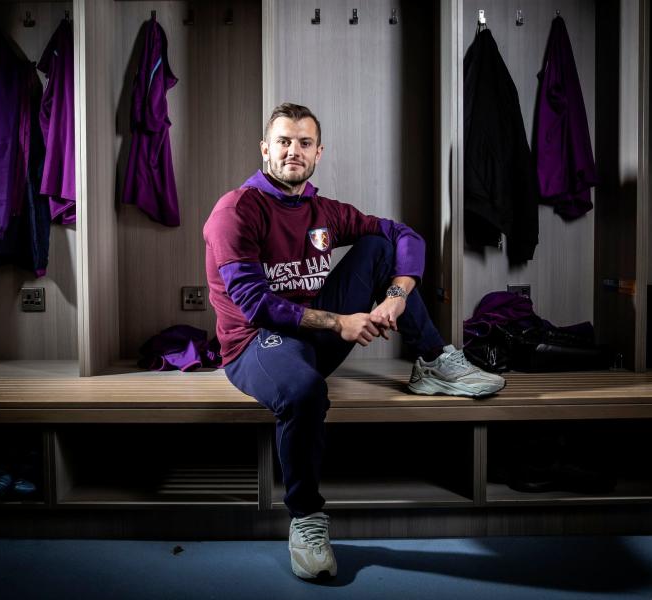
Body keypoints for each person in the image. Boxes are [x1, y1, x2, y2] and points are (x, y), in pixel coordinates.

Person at [203, 103, 505, 580]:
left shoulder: (325, 211)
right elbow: (254, 305)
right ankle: (305, 519)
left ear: (318, 152)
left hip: (312, 337)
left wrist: (396, 296)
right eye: (283, 141)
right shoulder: (236, 211)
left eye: (304, 143)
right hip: (257, 345)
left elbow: (403, 235)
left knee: (380, 247)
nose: (293, 151)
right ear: (265, 149)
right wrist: (339, 322)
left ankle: (432, 361)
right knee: (305, 393)